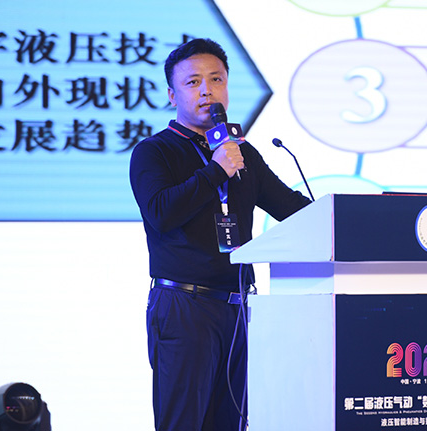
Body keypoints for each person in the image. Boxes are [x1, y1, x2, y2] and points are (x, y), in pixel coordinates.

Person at [129, 38, 311, 431]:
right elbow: (161, 213)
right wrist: (215, 171)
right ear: (172, 95)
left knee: (233, 422)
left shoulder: (242, 153)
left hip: (241, 308)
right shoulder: (154, 152)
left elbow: (290, 208)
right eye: (193, 82)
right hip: (184, 304)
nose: (206, 90)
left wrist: (342, 213)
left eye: (216, 79)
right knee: (184, 422)